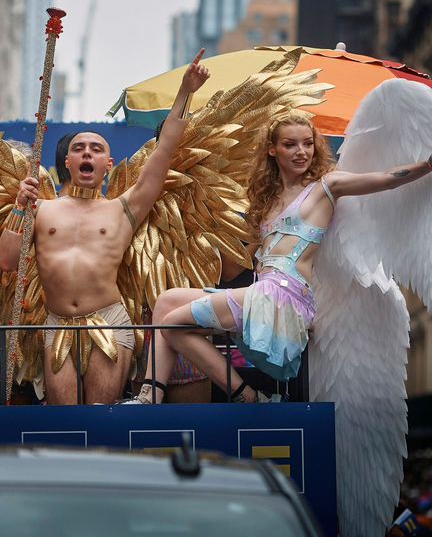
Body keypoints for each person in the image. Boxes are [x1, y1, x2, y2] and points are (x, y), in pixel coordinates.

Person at [134, 115, 432, 404]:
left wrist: (427, 164)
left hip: (285, 298)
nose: (301, 152)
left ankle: (246, 397)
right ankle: (149, 396)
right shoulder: (263, 204)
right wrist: (209, 221)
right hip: (262, 295)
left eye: (308, 143)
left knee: (172, 324)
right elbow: (230, 271)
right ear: (272, 149)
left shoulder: (326, 187)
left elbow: (386, 180)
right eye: (290, 144)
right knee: (167, 301)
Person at [0, 50, 211, 405]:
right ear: (67, 160)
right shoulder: (40, 207)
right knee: (66, 426)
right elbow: (6, 260)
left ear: (107, 163)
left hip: (110, 322)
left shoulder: (124, 209)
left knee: (103, 417)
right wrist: (20, 206)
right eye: (79, 148)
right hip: (56, 324)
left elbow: (167, 146)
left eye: (96, 149)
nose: (86, 153)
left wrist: (185, 92)